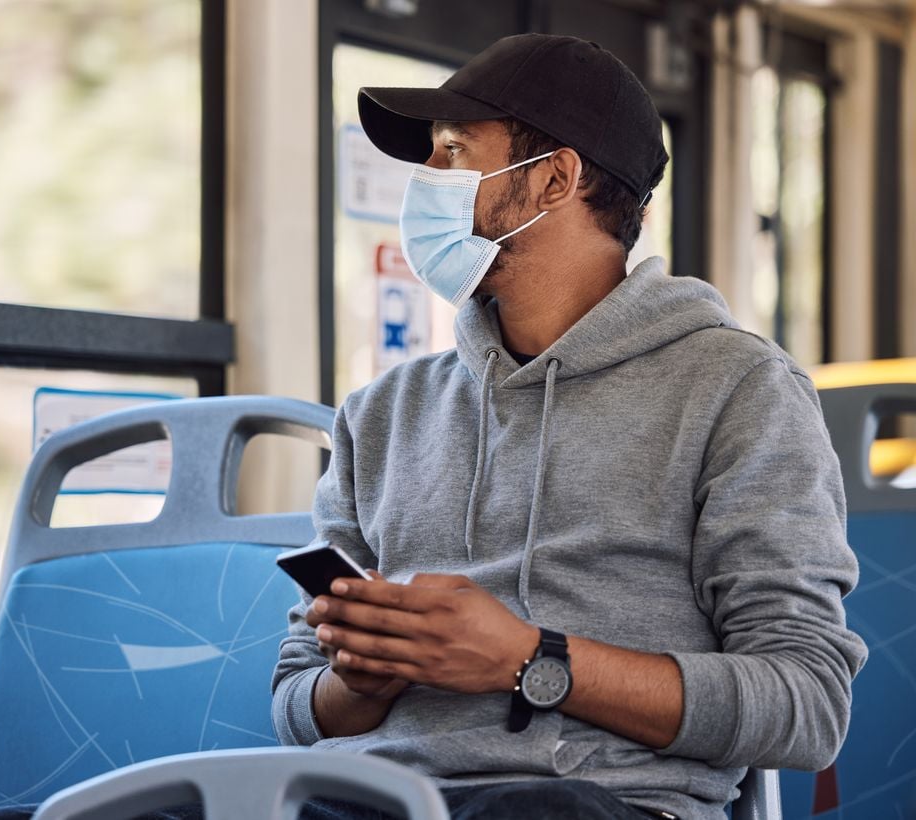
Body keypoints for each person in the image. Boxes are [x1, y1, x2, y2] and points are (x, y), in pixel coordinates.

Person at [271, 34, 868, 820]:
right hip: (366, 800)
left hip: (593, 803)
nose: (426, 180)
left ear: (553, 179)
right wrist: (361, 680)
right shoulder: (382, 413)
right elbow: (290, 705)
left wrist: (525, 660)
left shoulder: (736, 391)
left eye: (453, 152)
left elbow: (806, 705)